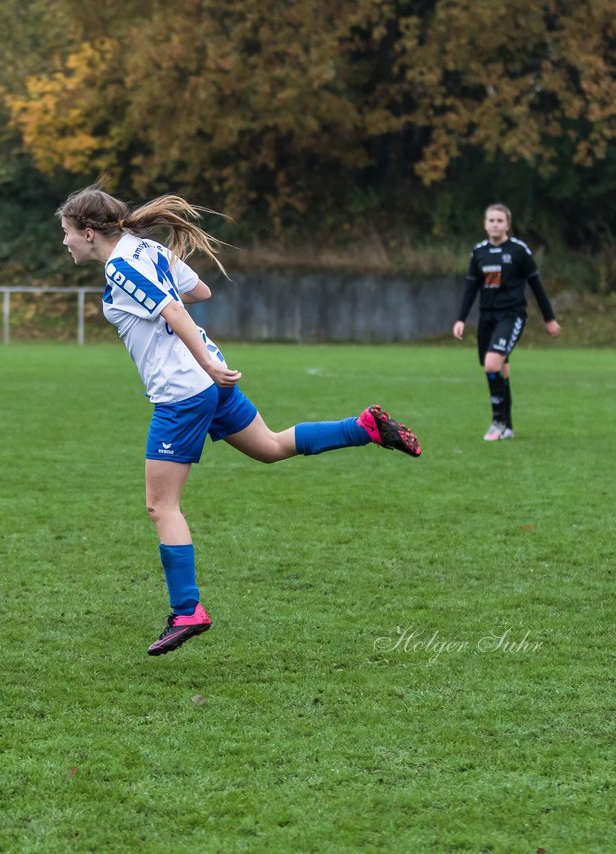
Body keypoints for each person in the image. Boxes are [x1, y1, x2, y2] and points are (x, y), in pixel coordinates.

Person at [56, 185, 421, 656]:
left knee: (160, 506)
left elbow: (171, 307)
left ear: (88, 232)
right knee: (269, 446)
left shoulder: (122, 266)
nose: (64, 242)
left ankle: (187, 609)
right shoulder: (148, 249)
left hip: (184, 393)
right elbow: (200, 292)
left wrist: (201, 362)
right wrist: (206, 360)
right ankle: (364, 427)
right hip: (210, 382)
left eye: (66, 233)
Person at [452, 204, 562, 441]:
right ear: (485, 224)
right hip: (487, 317)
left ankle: (498, 422)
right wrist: (461, 318)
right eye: (491, 220)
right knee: (500, 369)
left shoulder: (519, 251)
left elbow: (536, 286)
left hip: (511, 316)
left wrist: (549, 318)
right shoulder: (478, 252)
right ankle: (509, 427)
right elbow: (471, 288)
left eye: (500, 220)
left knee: (491, 364)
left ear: (508, 225)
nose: (495, 224)